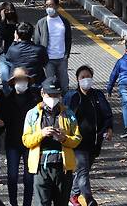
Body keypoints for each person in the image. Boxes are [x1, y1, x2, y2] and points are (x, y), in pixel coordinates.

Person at [22, 76, 82, 206]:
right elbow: (26, 140)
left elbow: (77, 139)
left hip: (63, 166)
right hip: (40, 166)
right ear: (43, 93)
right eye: (50, 94)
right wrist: (41, 134)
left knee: (61, 202)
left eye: (56, 95)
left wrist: (64, 138)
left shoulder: (68, 114)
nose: (53, 98)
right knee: (41, 203)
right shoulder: (32, 114)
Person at [63, 66, 112, 206]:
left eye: (88, 76)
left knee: (83, 171)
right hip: (78, 142)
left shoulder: (98, 95)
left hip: (94, 141)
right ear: (77, 80)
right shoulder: (72, 97)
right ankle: (89, 199)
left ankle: (72, 195)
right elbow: (65, 117)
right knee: (83, 171)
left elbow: (107, 114)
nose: (85, 80)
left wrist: (108, 128)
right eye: (82, 77)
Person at [1, 68, 40, 206]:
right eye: (18, 80)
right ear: (13, 82)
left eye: (24, 79)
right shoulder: (7, 100)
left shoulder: (36, 99)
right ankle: (13, 203)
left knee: (29, 177)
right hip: (12, 142)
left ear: (28, 81)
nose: (21, 82)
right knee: (12, 176)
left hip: (30, 143)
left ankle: (27, 204)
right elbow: (3, 121)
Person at [33, 0, 72, 91]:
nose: (49, 8)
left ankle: (64, 104)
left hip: (62, 59)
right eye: (46, 6)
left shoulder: (64, 22)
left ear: (57, 6)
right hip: (48, 60)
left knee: (64, 85)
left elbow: (68, 39)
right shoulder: (41, 22)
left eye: (51, 5)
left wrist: (66, 54)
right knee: (49, 86)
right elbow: (36, 41)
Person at [6, 22, 48, 88]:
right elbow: (45, 62)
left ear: (17, 34)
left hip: (18, 81)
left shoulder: (13, 49)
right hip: (36, 82)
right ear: (32, 34)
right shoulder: (40, 49)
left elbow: (8, 59)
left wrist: (14, 41)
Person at [0, 3, 19, 93]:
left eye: (11, 11)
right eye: (6, 11)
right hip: (3, 55)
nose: (9, 13)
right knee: (5, 80)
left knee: (15, 81)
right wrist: (2, 20)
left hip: (15, 56)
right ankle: (7, 99)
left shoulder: (18, 26)